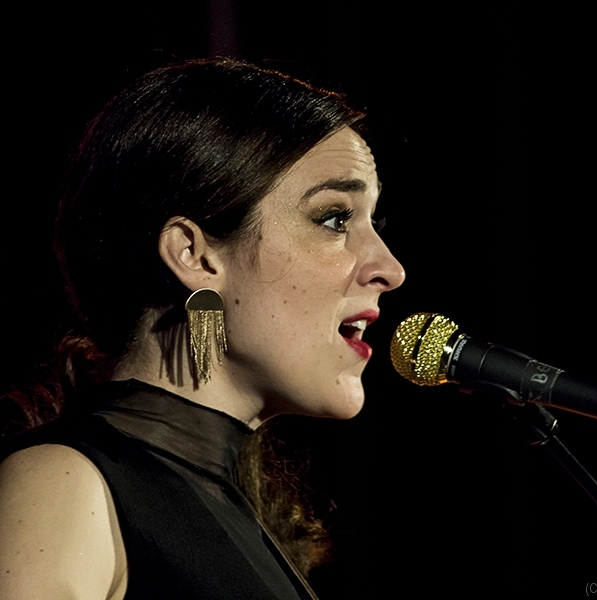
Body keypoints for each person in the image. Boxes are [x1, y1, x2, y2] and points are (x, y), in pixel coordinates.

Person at [0, 57, 405, 599]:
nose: (390, 269)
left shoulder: (245, 519)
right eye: (334, 219)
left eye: (373, 222)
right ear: (193, 254)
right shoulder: (64, 481)